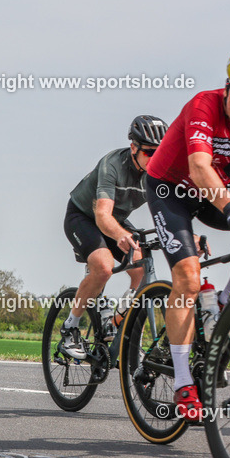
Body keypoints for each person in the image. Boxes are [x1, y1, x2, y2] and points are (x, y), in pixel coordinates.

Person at [144, 47, 230, 421]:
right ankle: (184, 382)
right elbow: (199, 165)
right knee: (187, 278)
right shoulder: (203, 105)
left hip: (212, 187)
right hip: (169, 187)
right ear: (228, 86)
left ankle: (227, 302)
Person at [59, 116, 173, 359]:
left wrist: (188, 235)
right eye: (149, 152)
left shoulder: (160, 171)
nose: (156, 158)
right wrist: (120, 235)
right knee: (103, 266)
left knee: (140, 266)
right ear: (133, 147)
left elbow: (173, 208)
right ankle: (70, 327)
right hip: (84, 216)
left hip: (116, 219)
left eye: (160, 152)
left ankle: (117, 318)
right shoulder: (113, 164)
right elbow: (102, 215)